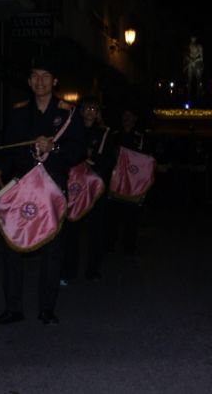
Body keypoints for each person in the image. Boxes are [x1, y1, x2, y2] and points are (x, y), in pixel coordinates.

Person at [0, 58, 86, 325]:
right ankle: (13, 308)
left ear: (54, 82)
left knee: (53, 249)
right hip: (21, 186)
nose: (40, 81)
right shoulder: (18, 111)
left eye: (46, 76)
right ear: (29, 81)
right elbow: (8, 149)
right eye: (35, 76)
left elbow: (79, 151)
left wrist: (54, 148)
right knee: (11, 246)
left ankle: (46, 308)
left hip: (52, 186)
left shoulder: (68, 113)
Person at [60, 97, 115, 284]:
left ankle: (93, 269)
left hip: (94, 186)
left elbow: (108, 160)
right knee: (71, 228)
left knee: (96, 229)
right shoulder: (73, 130)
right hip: (75, 187)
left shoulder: (104, 133)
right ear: (81, 110)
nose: (91, 111)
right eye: (87, 108)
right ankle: (68, 271)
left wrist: (93, 163)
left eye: (94, 108)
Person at [106, 108, 149, 256]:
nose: (126, 118)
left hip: (133, 184)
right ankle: (110, 245)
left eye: (130, 116)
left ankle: (128, 247)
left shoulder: (140, 137)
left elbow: (145, 159)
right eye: (124, 115)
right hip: (116, 182)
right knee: (112, 216)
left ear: (135, 119)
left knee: (132, 217)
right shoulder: (114, 135)